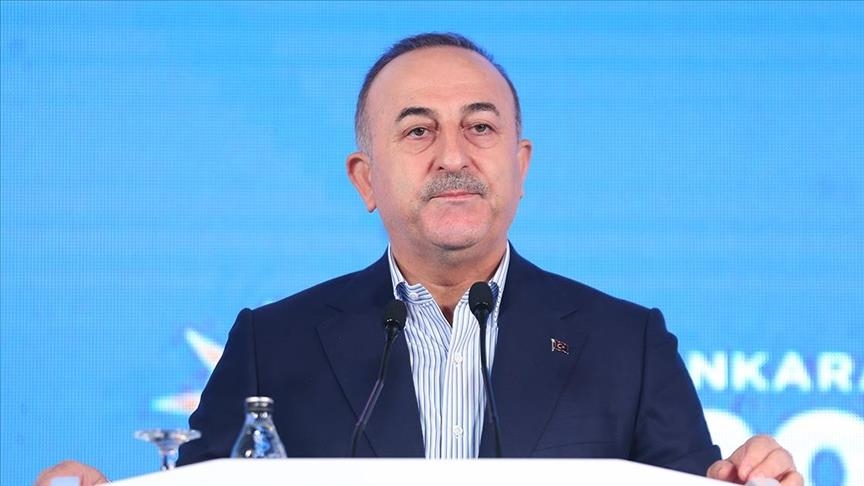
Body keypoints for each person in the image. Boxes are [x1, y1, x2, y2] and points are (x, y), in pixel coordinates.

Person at [35, 33, 802, 486]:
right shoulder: (273, 345)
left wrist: (744, 482)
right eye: (417, 131)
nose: (453, 157)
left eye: (480, 127)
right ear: (365, 179)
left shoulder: (627, 344)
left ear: (520, 165)